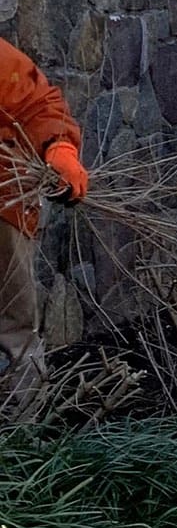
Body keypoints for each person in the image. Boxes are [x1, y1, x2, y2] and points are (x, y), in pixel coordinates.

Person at [0, 39, 88, 417]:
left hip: (1, 197)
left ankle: (24, 429)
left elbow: (37, 104)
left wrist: (60, 148)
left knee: (14, 321)